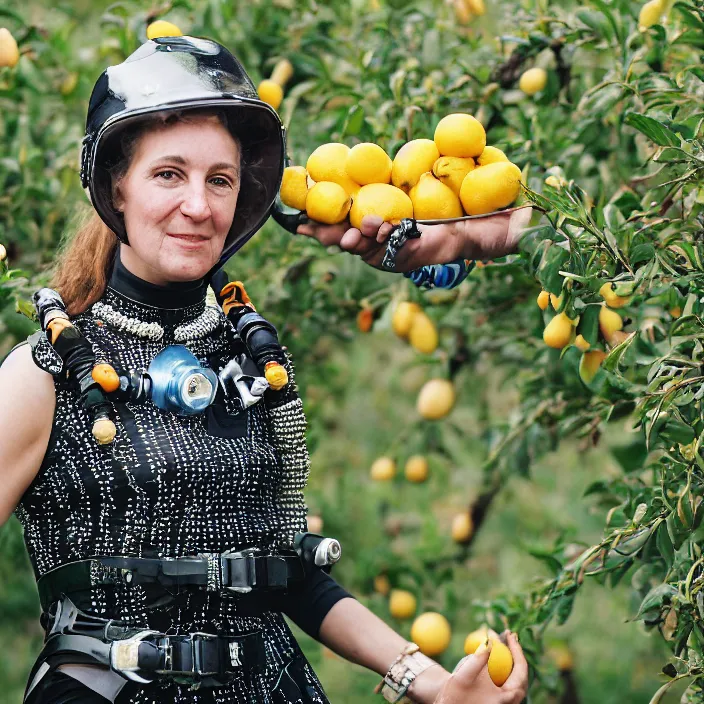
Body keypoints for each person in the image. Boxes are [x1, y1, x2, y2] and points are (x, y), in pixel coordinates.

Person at [0, 35, 529, 704]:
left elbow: (291, 576)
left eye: (219, 179)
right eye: (169, 174)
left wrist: (427, 681)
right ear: (116, 187)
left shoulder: (251, 364)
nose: (199, 204)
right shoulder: (43, 375)